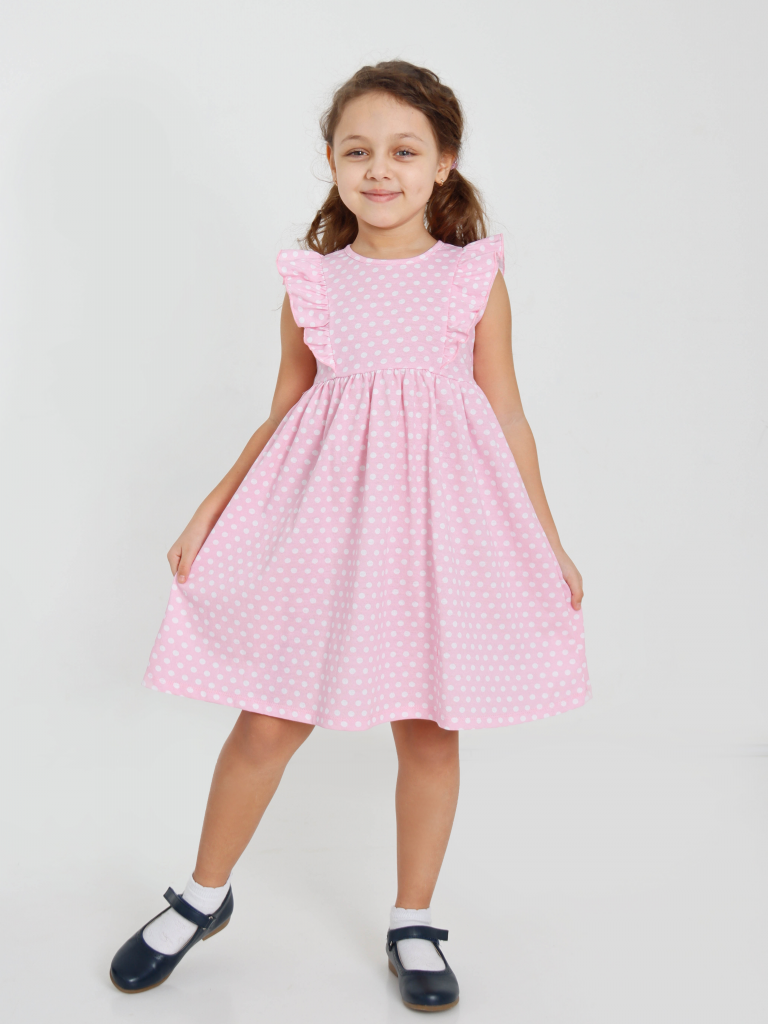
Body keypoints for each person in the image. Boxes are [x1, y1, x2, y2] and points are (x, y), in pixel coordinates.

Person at [109, 59, 591, 1012]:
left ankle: (414, 919)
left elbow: (508, 413)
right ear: (331, 161)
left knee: (431, 728)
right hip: (327, 527)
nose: (380, 169)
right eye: (358, 150)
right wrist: (211, 506)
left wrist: (549, 537)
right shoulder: (314, 283)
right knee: (268, 719)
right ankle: (203, 895)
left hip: (437, 533)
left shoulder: (471, 277)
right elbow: (286, 410)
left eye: (405, 151)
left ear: (443, 164)